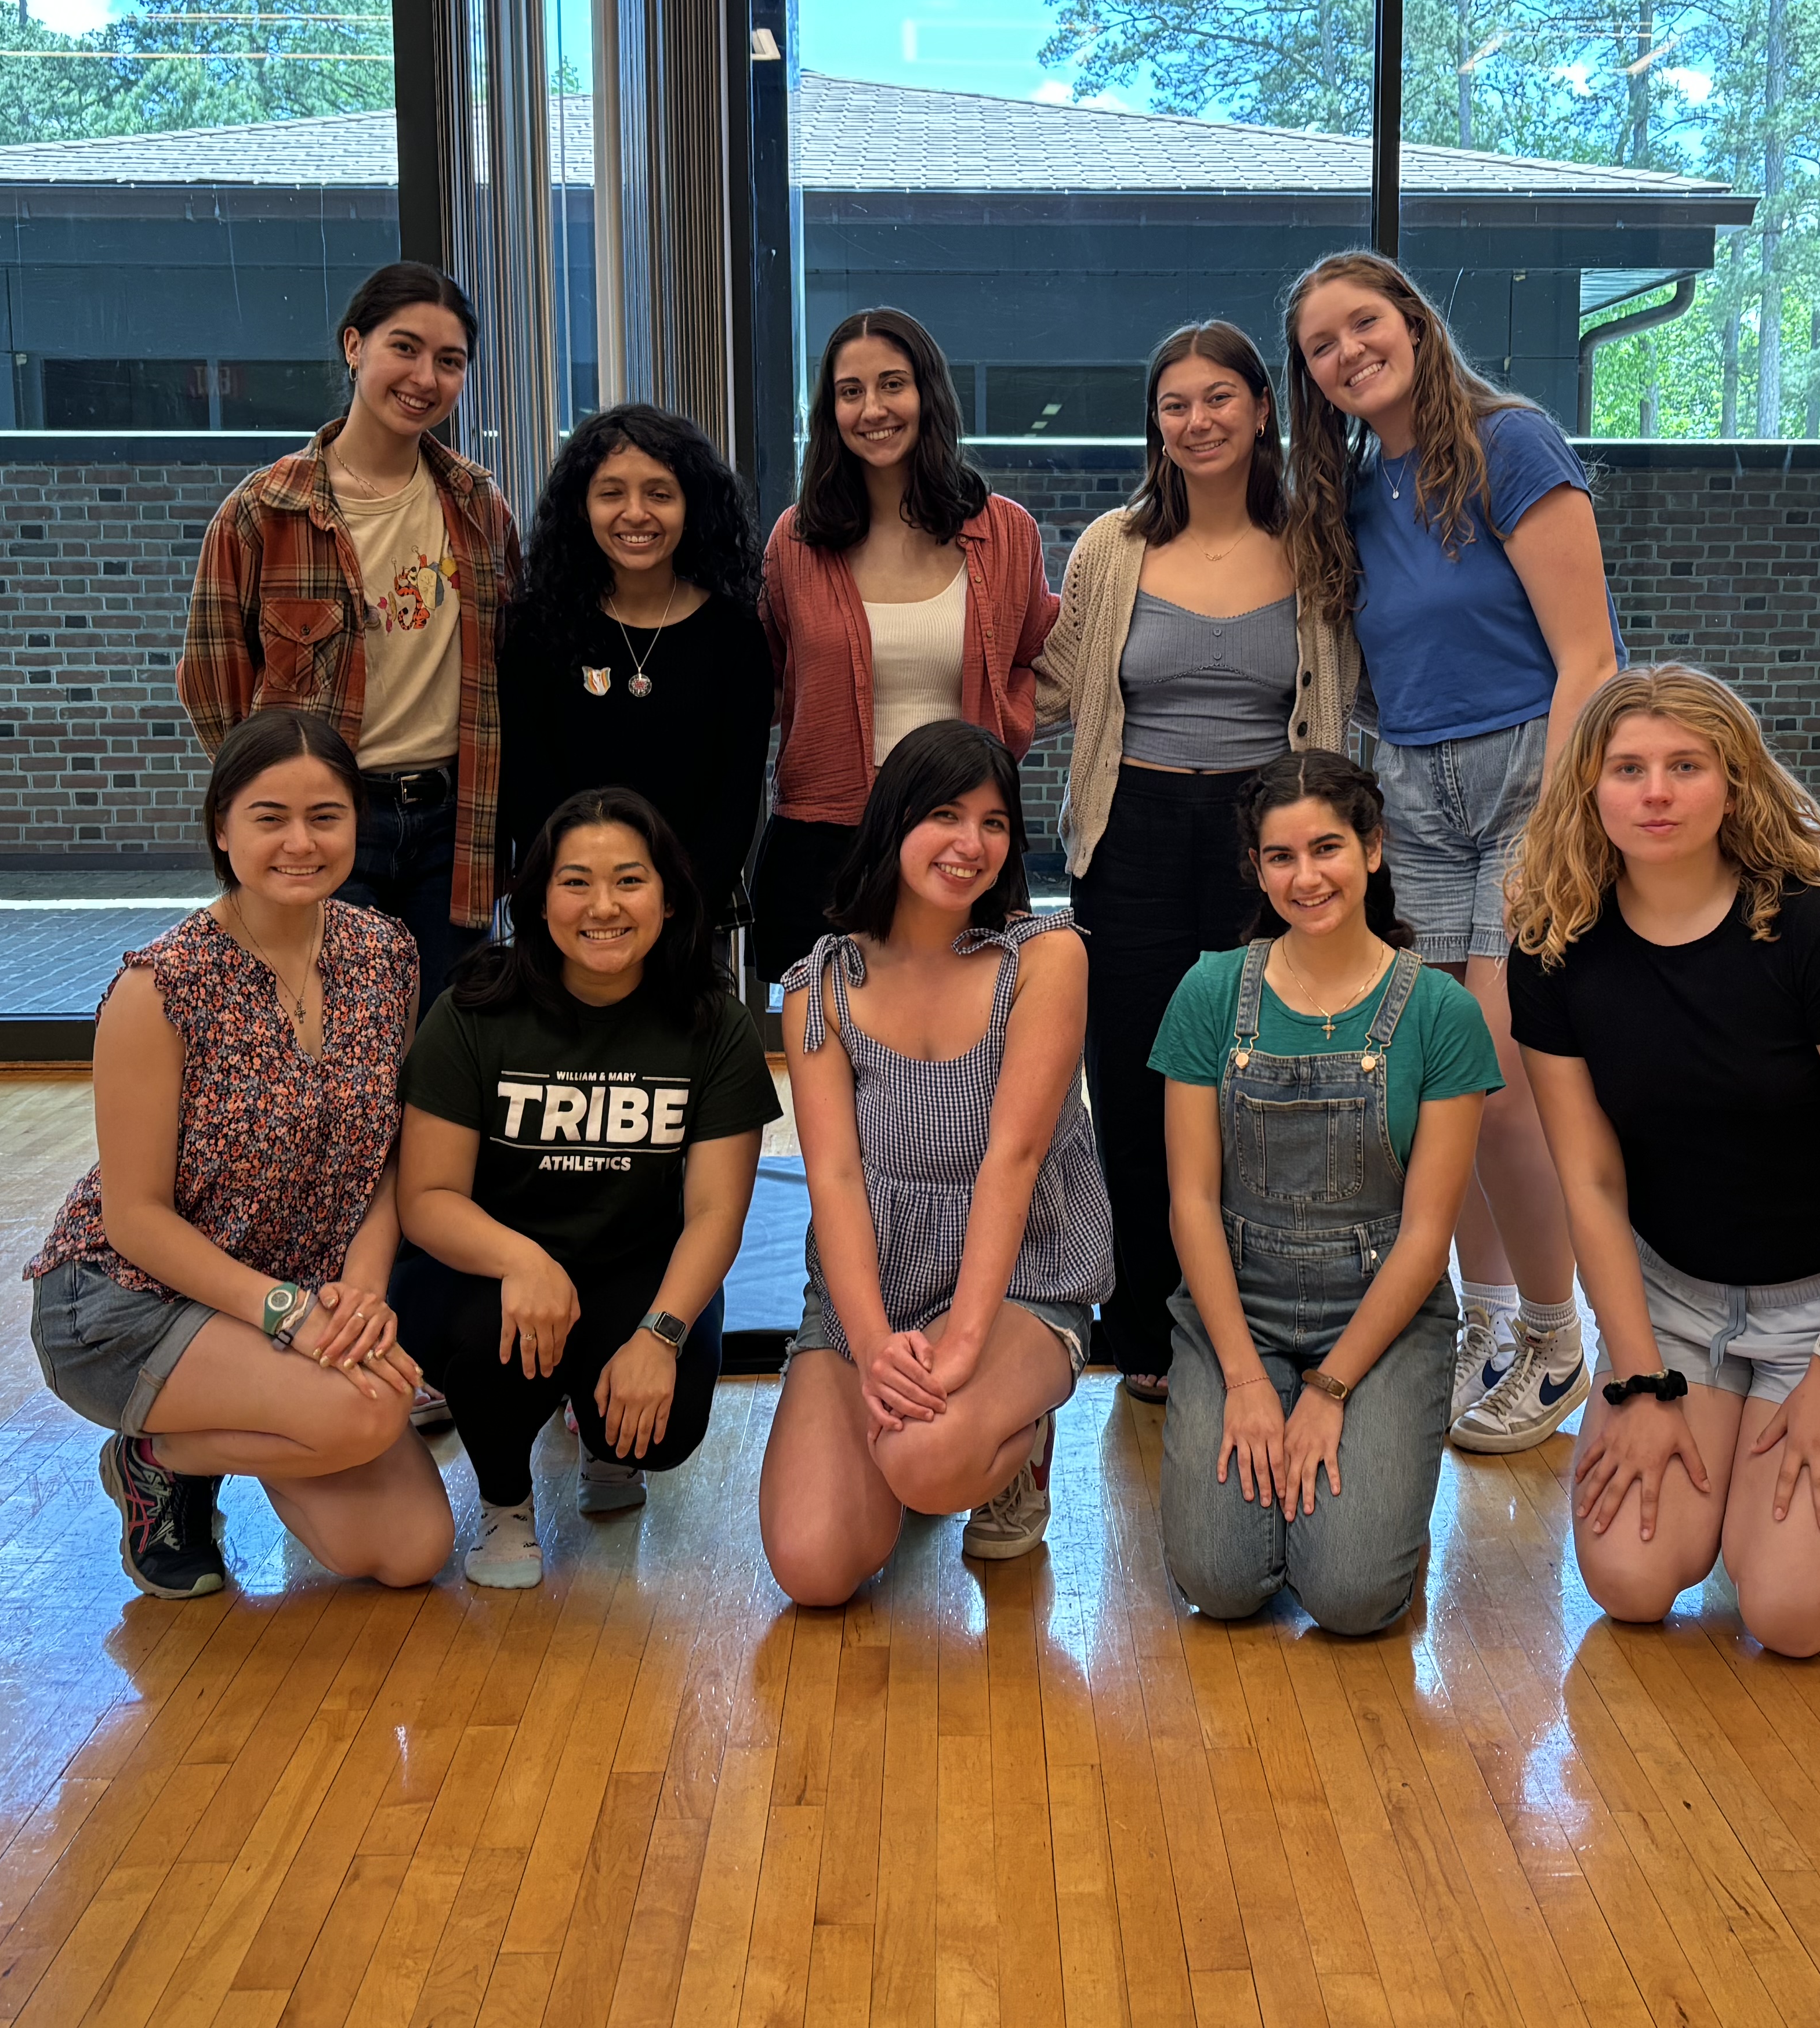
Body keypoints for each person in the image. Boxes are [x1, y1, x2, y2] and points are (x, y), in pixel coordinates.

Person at [1505, 664, 1820, 1659]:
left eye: (1685, 765)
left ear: (1733, 784)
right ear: (1589, 789)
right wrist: (1638, 1379)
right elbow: (1590, 1179)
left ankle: (1780, 1452)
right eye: (1628, 768)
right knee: (1630, 1580)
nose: (1655, 791)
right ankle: (1714, 1424)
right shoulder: (1553, 944)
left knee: (1786, 1615)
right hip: (1674, 1295)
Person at [1283, 250, 1622, 1458]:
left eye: (1363, 324)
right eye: (1322, 345)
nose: (1346, 353)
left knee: (1505, 1080)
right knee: (1440, 1084)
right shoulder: (1358, 492)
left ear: (1414, 322)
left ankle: (1558, 1335)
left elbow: (1590, 657)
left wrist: (1559, 826)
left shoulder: (1512, 442)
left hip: (1530, 772)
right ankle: (1484, 1322)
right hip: (1412, 787)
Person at [24, 708, 454, 1599]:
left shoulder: (388, 957)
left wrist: (363, 1294)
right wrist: (288, 1313)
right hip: (128, 1302)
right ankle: (154, 1454)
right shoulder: (160, 985)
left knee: (410, 1550)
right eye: (270, 817)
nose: (301, 842)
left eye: (326, 816)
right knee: (366, 1409)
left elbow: (382, 1159)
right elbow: (133, 1218)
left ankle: (194, 1446)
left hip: (291, 1298)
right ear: (223, 829)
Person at [1036, 320, 1361, 1405]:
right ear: (1155, 424)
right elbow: (1054, 689)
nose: (1197, 420)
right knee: (1132, 1080)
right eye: (1175, 403)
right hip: (1128, 831)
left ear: (1263, 408)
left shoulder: (1319, 543)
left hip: (1266, 842)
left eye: (1218, 396)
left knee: (1265, 1075)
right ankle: (1145, 1327)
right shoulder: (1108, 550)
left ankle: (1271, 1313)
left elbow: (1346, 696)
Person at [759, 720, 1112, 1605]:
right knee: (815, 1567)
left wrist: (958, 1352)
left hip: (1019, 1276)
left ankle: (1013, 1441)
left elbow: (1016, 1158)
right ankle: (912, 1439)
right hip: (874, 1285)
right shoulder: (819, 984)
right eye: (947, 815)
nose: (973, 844)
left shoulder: (1045, 957)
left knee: (924, 1459)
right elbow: (834, 1177)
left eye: (995, 823)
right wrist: (876, 1347)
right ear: (893, 821)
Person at [391, 788, 779, 1588]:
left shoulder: (713, 1021)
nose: (603, 905)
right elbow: (426, 1197)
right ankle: (504, 1499)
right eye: (575, 882)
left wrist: (661, 1335)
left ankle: (607, 1440)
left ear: (669, 898)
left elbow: (714, 1213)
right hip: (489, 1265)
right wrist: (520, 1261)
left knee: (660, 1431)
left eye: (629, 881)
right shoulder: (474, 1008)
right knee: (478, 1334)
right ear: (536, 900)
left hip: (632, 1262)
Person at [1152, 752, 1496, 1634]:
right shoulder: (1207, 993)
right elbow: (1191, 1203)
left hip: (1382, 1317)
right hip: (1241, 1309)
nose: (1306, 877)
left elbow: (1428, 1233)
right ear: (1257, 869)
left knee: (1352, 1600)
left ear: (1374, 850)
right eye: (1280, 857)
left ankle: (1365, 1519)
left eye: (1328, 848)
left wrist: (1331, 1389)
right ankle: (1304, 1506)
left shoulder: (1441, 1014)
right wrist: (1242, 1378)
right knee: (1221, 1586)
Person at [179, 262, 518, 1015]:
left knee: (443, 1046)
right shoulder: (263, 511)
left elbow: (512, 668)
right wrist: (278, 802)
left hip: (453, 827)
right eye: (405, 348)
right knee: (331, 1042)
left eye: (450, 360)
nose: (425, 377)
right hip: (329, 822)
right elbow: (214, 682)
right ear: (355, 346)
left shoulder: (479, 507)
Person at [759, 308, 1059, 983]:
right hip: (826, 843)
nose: (873, 409)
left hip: (965, 838)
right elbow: (771, 680)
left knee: (965, 1055)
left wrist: (1011, 721)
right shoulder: (795, 541)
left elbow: (1045, 656)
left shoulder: (1006, 533)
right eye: (850, 391)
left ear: (928, 393)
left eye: (892, 384)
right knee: (828, 1049)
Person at [496, 403, 772, 941]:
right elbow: (528, 792)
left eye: (660, 494)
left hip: (689, 921)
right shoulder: (536, 631)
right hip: (569, 923)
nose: (636, 513)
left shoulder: (735, 634)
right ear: (582, 507)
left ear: (692, 506)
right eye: (612, 493)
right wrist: (574, 903)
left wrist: (675, 911)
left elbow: (736, 801)